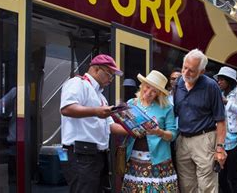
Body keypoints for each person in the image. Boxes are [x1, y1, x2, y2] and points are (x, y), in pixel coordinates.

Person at [59, 54, 127, 193]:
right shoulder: (78, 84)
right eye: (109, 74)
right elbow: (67, 108)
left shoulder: (101, 97)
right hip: (80, 154)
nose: (111, 79)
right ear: (96, 70)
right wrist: (96, 111)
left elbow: (110, 126)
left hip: (96, 156)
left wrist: (136, 130)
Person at [173, 49, 227, 192]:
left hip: (204, 139)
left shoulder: (211, 86)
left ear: (201, 72)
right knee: (186, 186)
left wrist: (220, 148)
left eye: (191, 70)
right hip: (183, 139)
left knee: (207, 186)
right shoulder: (178, 83)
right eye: (184, 67)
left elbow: (221, 120)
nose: (186, 73)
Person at [121, 70, 179, 192]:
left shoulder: (166, 108)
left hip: (158, 161)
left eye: (154, 91)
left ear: (159, 94)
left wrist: (159, 132)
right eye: (147, 88)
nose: (149, 93)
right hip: (134, 159)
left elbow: (173, 135)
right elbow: (123, 126)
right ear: (142, 86)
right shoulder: (132, 103)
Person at [214, 67, 237, 193]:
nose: (219, 82)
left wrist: (227, 102)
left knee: (234, 176)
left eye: (222, 80)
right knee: (221, 176)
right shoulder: (218, 95)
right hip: (221, 140)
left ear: (229, 81)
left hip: (236, 140)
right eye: (218, 80)